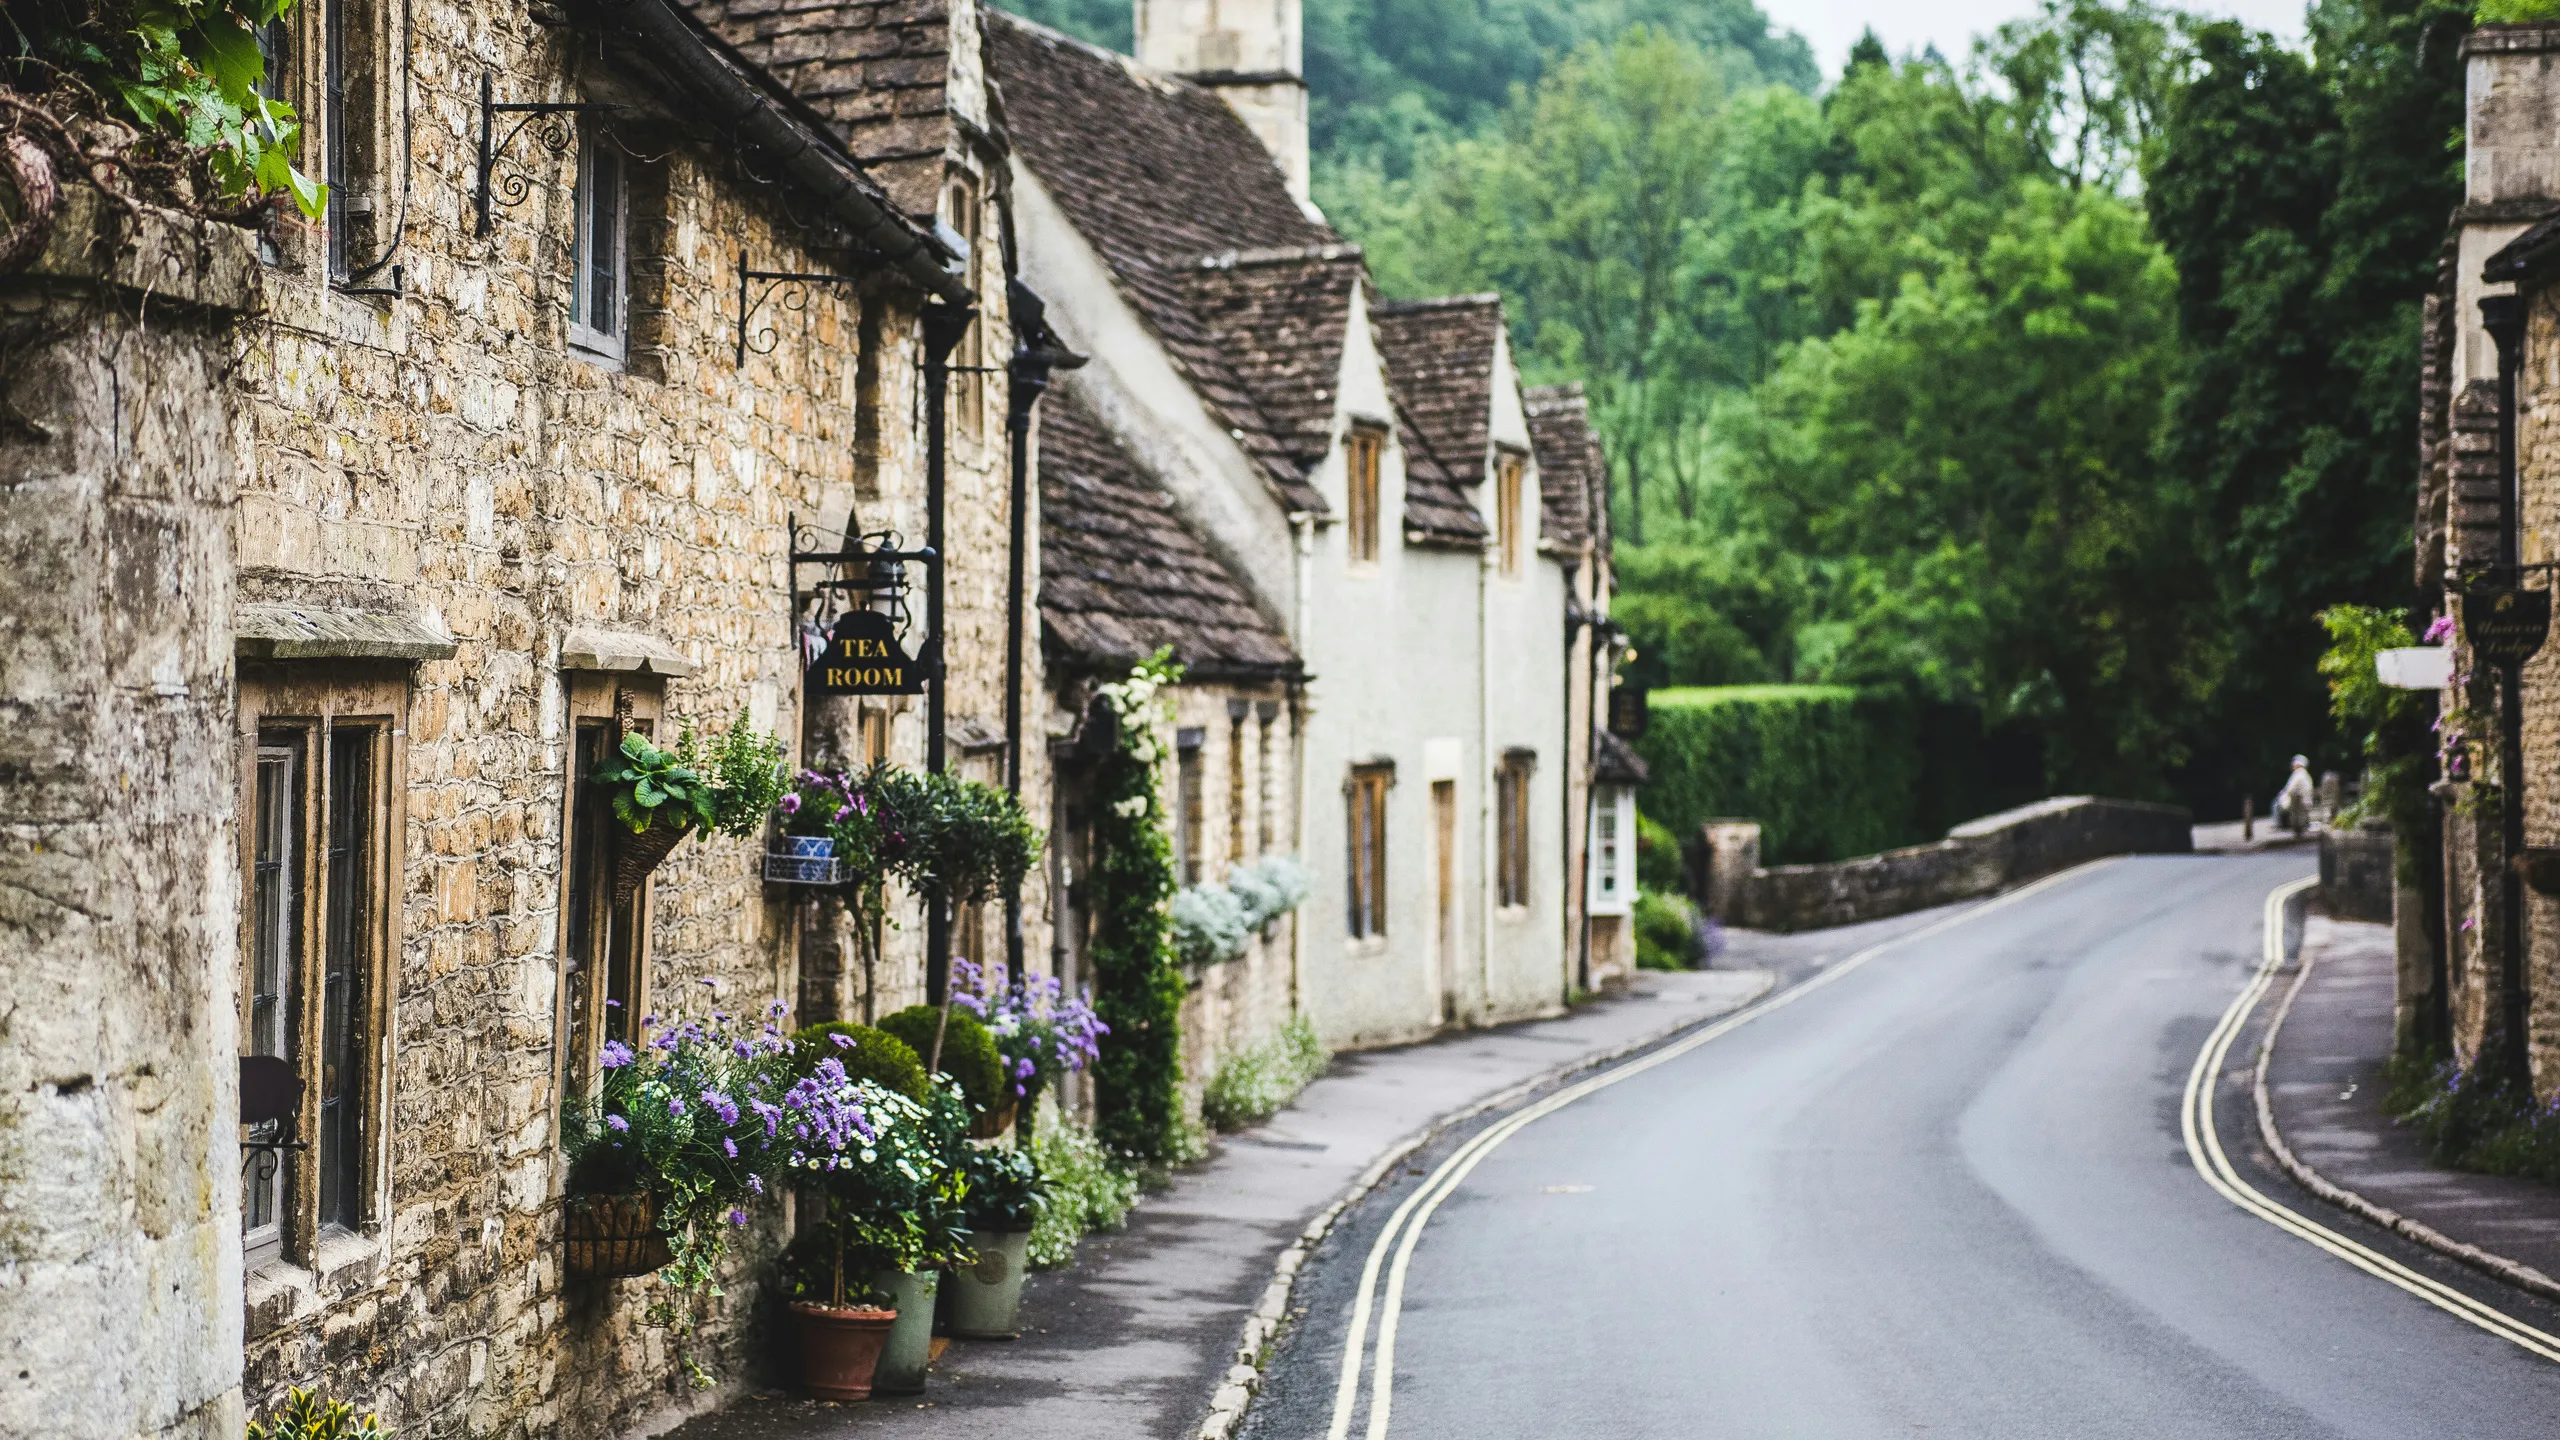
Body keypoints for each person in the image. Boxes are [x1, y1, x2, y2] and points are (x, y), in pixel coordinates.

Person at [2274, 755, 2316, 836]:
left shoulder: (2297, 775)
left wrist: (2281, 795)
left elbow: (2290, 790)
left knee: (2275, 804)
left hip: (2297, 802)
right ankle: (2284, 824)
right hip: (2305, 801)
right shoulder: (2306, 775)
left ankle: (2279, 825)